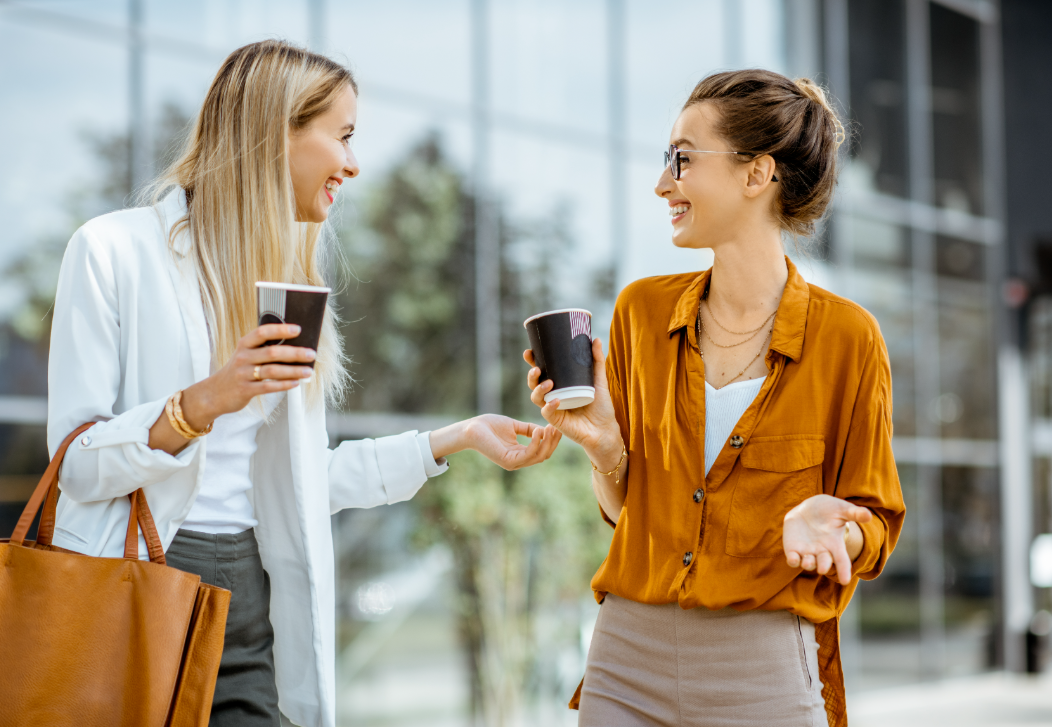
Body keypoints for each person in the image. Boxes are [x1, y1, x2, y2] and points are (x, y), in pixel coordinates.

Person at [47, 40, 560, 727]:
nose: (353, 163)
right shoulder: (111, 251)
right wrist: (203, 402)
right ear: (275, 130)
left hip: (250, 595)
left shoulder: (288, 284)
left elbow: (300, 480)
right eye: (343, 136)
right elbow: (74, 466)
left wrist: (456, 438)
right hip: (139, 584)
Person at [526, 69, 905, 727]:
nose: (662, 182)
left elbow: (875, 523)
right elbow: (626, 511)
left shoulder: (848, 338)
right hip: (627, 659)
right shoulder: (641, 313)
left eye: (682, 159)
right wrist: (604, 446)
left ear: (756, 175)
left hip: (762, 672)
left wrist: (837, 524)